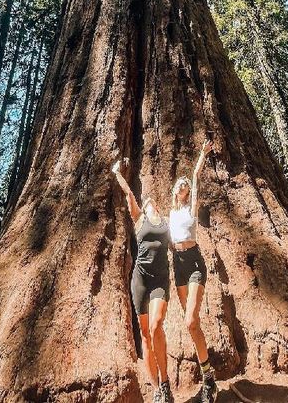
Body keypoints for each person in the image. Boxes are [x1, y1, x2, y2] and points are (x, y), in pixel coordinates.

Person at [112, 159, 173, 403]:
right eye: (144, 204)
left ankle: (166, 380)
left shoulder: (167, 224)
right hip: (140, 281)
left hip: (160, 281)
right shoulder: (139, 221)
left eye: (150, 203)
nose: (147, 205)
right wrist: (118, 173)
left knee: (157, 324)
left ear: (156, 206)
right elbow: (129, 193)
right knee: (146, 335)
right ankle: (157, 389)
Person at [170, 139, 218, 403]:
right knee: (192, 326)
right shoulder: (170, 214)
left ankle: (208, 377)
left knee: (190, 320)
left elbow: (196, 176)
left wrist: (202, 154)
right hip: (177, 264)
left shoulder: (191, 208)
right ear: (174, 191)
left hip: (195, 262)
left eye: (186, 186)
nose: (184, 187)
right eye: (180, 186)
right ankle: (208, 373)